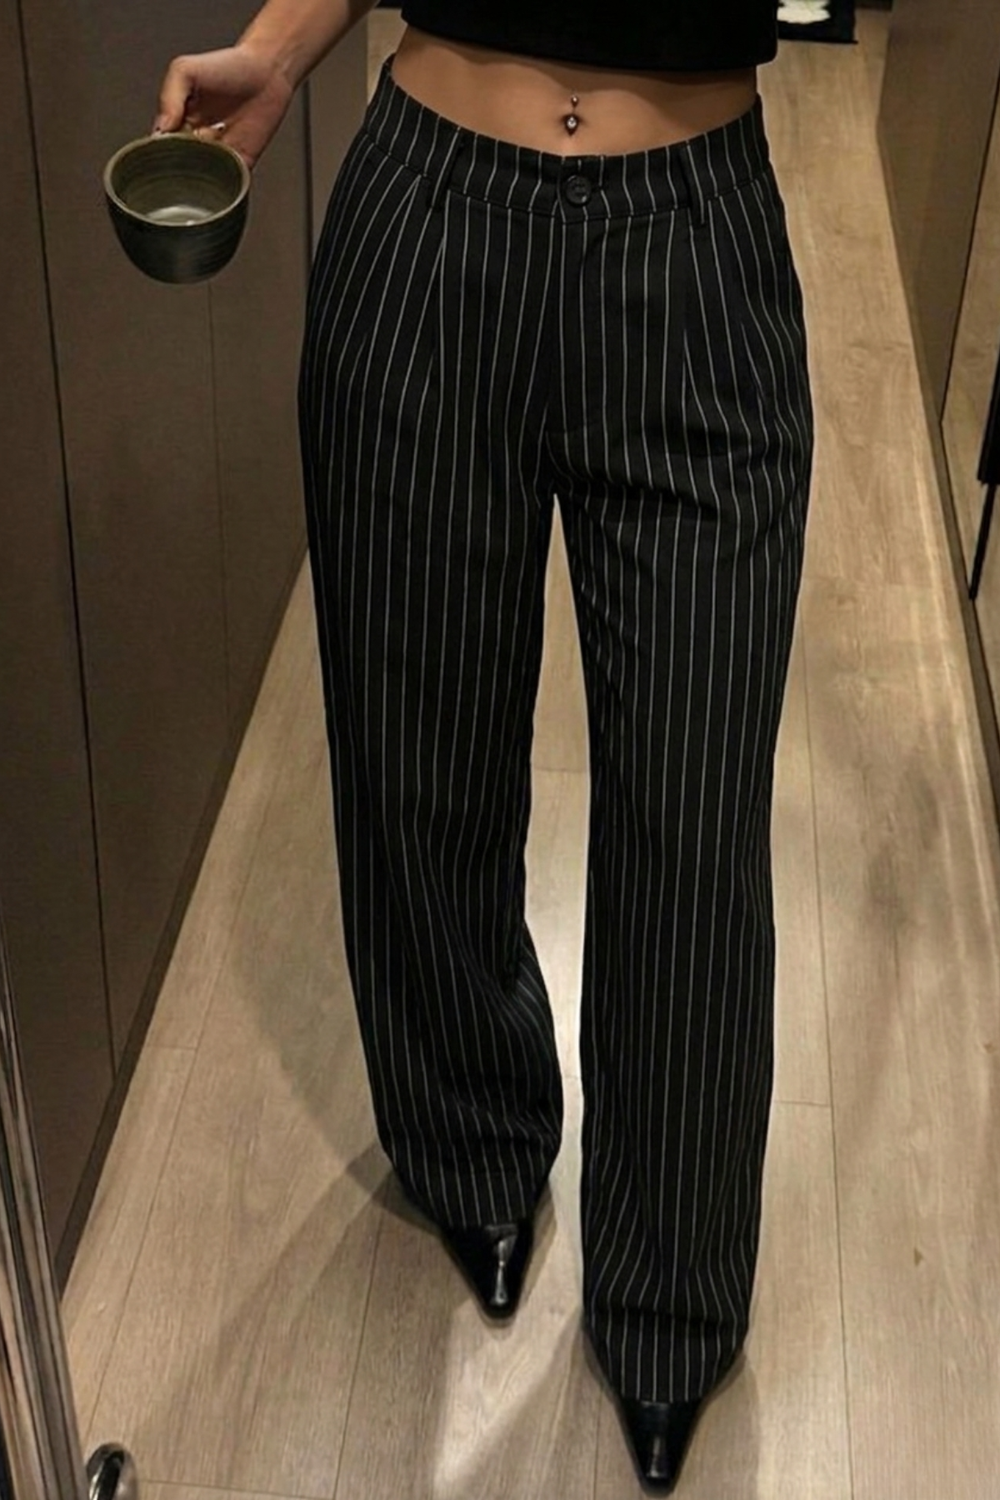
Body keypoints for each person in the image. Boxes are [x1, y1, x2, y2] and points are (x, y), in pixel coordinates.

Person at [156, 2, 813, 1490]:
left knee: (695, 817)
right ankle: (467, 1140)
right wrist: (280, 49)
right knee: (418, 749)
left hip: (695, 248)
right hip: (431, 219)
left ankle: (669, 1288)